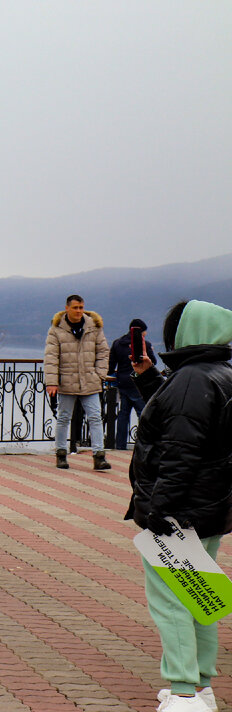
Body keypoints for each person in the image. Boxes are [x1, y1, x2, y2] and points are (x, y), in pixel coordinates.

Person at [128, 300, 232, 712]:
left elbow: (179, 449)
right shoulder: (219, 374)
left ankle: (183, 692)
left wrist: (160, 511)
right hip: (210, 508)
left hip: (180, 512)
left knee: (171, 600)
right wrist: (148, 377)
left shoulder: (191, 378)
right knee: (199, 594)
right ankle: (201, 685)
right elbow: (185, 419)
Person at [43, 294, 111, 470]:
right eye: (75, 308)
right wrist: (52, 382)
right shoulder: (56, 329)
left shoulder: (94, 327)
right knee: (64, 418)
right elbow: (51, 357)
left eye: (81, 307)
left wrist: (100, 374)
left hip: (90, 381)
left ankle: (99, 456)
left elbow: (103, 351)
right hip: (67, 381)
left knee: (96, 417)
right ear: (67, 308)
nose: (79, 311)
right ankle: (61, 454)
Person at [108, 318, 159, 450]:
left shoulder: (117, 344)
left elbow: (111, 365)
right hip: (138, 382)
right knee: (143, 414)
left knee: (123, 414)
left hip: (122, 382)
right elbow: (153, 362)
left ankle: (120, 445)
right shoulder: (145, 345)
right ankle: (145, 445)